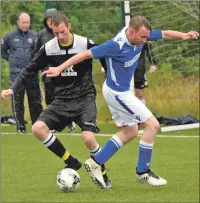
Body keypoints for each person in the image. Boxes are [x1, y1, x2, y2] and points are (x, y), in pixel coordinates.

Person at [41, 15, 199, 189]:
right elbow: (84, 55)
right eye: (142, 37)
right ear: (131, 32)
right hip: (118, 93)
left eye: (146, 37)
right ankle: (143, 172)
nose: (145, 41)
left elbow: (164, 34)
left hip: (120, 91)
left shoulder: (140, 34)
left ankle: (95, 163)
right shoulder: (116, 45)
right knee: (152, 125)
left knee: (130, 131)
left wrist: (183, 35)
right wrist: (59, 68)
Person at [1, 12, 112, 189]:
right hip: (62, 100)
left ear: (69, 27)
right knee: (38, 128)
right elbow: (30, 70)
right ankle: (71, 161)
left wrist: (109, 76)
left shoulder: (85, 43)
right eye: (55, 33)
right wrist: (13, 88)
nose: (60, 36)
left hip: (85, 98)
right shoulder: (48, 48)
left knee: (88, 138)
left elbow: (105, 56)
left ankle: (103, 173)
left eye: (63, 32)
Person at [1, 12, 43, 133]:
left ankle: (37, 126)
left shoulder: (35, 36)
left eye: (28, 22)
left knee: (35, 101)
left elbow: (40, 53)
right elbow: (2, 51)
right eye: (23, 22)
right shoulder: (9, 36)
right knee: (17, 101)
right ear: (18, 22)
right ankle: (20, 127)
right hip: (16, 74)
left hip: (32, 74)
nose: (25, 25)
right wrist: (12, 60)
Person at [35, 8, 75, 133]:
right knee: (50, 98)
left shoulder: (64, 32)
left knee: (65, 97)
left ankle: (70, 122)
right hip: (48, 73)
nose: (50, 22)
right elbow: (38, 53)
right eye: (48, 19)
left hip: (63, 71)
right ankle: (51, 123)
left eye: (52, 19)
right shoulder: (41, 34)